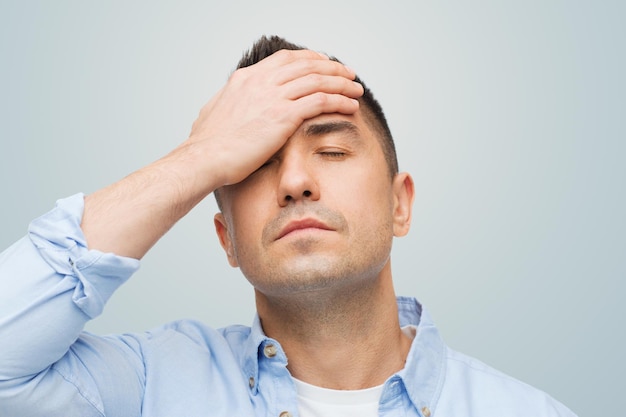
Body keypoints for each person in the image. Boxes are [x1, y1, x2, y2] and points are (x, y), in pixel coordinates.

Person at [0, 35, 576, 417]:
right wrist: (198, 158)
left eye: (331, 151)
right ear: (226, 238)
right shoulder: (146, 387)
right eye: (254, 164)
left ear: (400, 205)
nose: (296, 182)